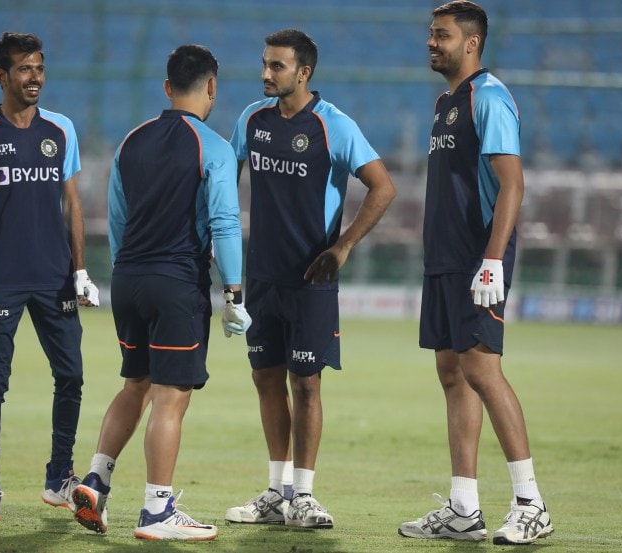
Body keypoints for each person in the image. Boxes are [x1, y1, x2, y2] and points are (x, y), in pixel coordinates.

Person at [70, 44, 251, 542]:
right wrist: (235, 292)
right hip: (176, 284)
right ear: (211, 86)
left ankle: (96, 479)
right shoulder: (213, 147)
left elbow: (118, 219)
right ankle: (157, 511)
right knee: (172, 397)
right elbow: (224, 223)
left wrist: (127, 270)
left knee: (137, 384)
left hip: (128, 278)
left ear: (168, 87)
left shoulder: (131, 141)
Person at [225, 29, 396, 529]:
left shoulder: (333, 126)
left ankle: (304, 494)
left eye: (276, 66)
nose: (265, 73)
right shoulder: (251, 120)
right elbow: (223, 182)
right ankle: (277, 493)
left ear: (303, 73)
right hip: (261, 278)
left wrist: (342, 246)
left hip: (310, 280)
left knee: (307, 383)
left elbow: (383, 187)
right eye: (264, 64)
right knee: (265, 378)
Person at [397, 1, 554, 545]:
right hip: (443, 258)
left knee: (483, 371)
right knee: (452, 373)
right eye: (430, 34)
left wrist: (492, 258)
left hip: (476, 259)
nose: (430, 43)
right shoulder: (447, 103)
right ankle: (464, 508)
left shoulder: (488, 98)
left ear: (471, 43)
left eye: (441, 35)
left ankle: (531, 503)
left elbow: (512, 183)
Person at [0, 32, 100, 523]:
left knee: (72, 376)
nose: (35, 77)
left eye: (39, 68)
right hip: (0, 280)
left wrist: (80, 269)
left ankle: (60, 477)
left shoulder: (62, 129)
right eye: (24, 69)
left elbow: (72, 202)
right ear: (1, 76)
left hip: (56, 278)